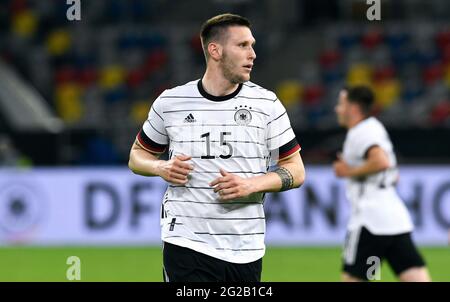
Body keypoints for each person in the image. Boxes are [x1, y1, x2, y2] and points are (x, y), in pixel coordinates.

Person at [128, 13, 305, 282]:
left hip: (246, 247)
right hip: (186, 242)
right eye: (243, 45)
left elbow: (297, 170)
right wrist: (160, 166)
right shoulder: (171, 102)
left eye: (252, 45)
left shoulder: (267, 105)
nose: (253, 54)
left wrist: (250, 185)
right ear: (215, 50)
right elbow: (137, 156)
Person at [333, 85, 431, 282]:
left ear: (353, 108)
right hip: (395, 220)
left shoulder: (360, 132)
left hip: (370, 222)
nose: (337, 109)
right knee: (415, 276)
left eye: (341, 104)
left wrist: (347, 171)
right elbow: (392, 171)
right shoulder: (375, 127)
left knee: (355, 278)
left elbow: (381, 161)